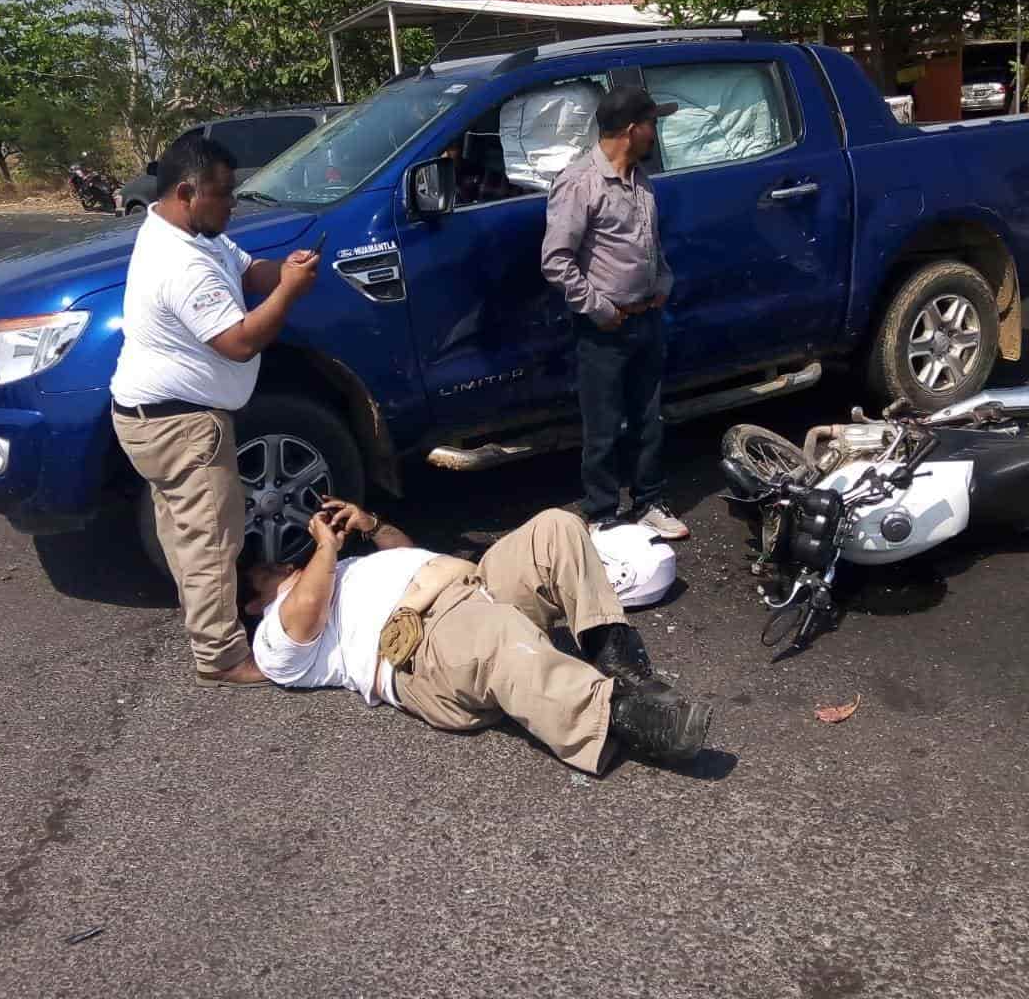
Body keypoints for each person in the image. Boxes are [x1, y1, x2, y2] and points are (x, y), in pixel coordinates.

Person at [245, 501, 714, 773]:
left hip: (470, 586)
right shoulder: (272, 638)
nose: (282, 563)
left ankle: (621, 665)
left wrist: (371, 525)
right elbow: (303, 617)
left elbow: (409, 554)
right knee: (497, 635)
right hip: (424, 646)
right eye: (266, 571)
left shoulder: (341, 569)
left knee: (556, 528)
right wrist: (325, 548)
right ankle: (623, 717)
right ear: (251, 605)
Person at [111, 133, 321, 688]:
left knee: (186, 533)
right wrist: (290, 294)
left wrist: (288, 270)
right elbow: (239, 341)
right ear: (187, 191)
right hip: (180, 424)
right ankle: (221, 656)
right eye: (224, 195)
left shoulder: (193, 233)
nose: (232, 205)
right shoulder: (181, 263)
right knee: (210, 541)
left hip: (153, 417)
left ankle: (207, 622)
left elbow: (251, 272)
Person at [541, 85, 689, 540]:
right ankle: (602, 512)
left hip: (647, 320)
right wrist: (599, 309)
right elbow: (556, 260)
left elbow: (650, 246)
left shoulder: (639, 179)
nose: (655, 133)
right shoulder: (580, 182)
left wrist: (663, 283)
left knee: (648, 419)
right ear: (630, 129)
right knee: (603, 426)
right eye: (652, 124)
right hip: (605, 328)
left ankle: (649, 501)